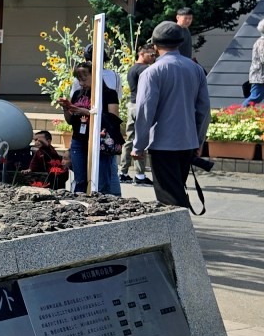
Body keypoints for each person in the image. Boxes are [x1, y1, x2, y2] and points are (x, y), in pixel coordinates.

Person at [132, 21, 211, 210]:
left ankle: (182, 236)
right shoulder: (196, 69)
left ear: (155, 45)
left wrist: (139, 145)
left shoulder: (152, 72)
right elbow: (204, 110)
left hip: (162, 143)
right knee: (176, 191)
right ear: (180, 42)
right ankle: (180, 235)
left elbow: (144, 111)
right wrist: (198, 141)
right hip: (187, 141)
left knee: (169, 198)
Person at [58, 61, 121, 194]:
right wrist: (66, 109)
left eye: (84, 79)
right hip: (78, 140)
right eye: (79, 79)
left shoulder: (109, 94)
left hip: (100, 142)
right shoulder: (77, 94)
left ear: (95, 76)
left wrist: (86, 112)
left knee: (102, 181)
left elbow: (113, 119)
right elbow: (70, 121)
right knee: (80, 180)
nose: (81, 83)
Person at [120, 44, 157, 185]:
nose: (154, 58)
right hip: (141, 106)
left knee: (130, 140)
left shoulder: (132, 69)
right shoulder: (145, 70)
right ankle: (140, 176)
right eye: (151, 55)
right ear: (142, 54)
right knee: (141, 139)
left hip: (132, 105)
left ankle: (123, 173)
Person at [246, 30, 264, 106]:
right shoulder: (262, 42)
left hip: (259, 76)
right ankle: (240, 114)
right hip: (260, 76)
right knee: (255, 97)